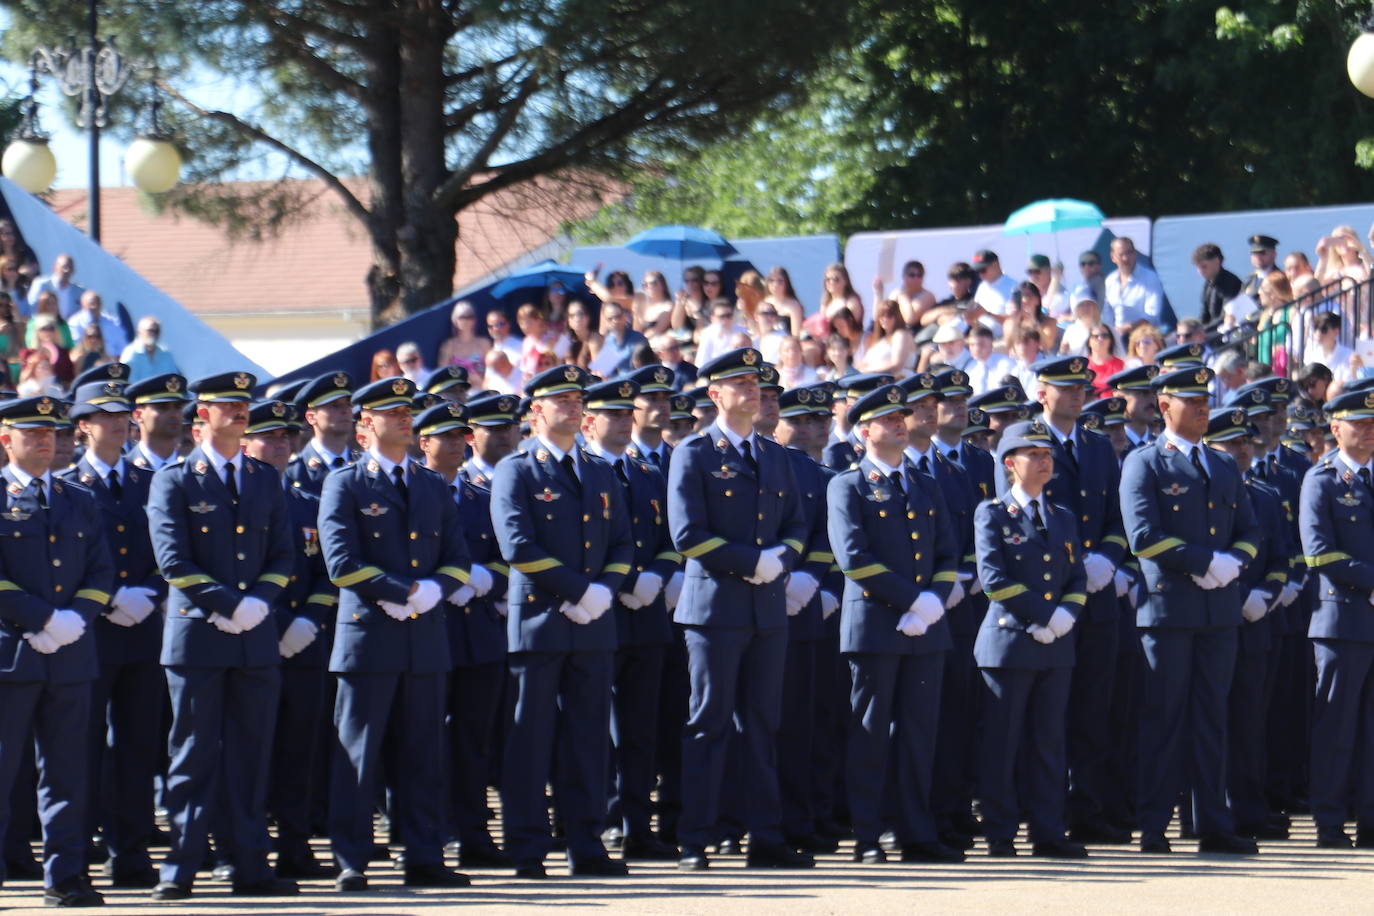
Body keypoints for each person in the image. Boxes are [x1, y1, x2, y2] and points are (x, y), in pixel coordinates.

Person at [319, 376, 477, 891]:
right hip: (369, 635)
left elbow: (457, 557)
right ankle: (352, 857)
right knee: (359, 756)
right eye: (393, 411)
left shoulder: (431, 484)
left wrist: (436, 587)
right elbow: (341, 562)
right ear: (367, 424)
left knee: (424, 751)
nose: (406, 418)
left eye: (408, 410)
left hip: (425, 636)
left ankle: (424, 853)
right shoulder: (345, 483)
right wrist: (402, 590)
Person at [146, 370, 297, 899]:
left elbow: (284, 554)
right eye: (226, 405)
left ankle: (248, 864)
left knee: (251, 753)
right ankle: (181, 866)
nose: (239, 411)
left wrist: (257, 603)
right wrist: (230, 605)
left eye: (243, 404)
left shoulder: (264, 478)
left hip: (254, 634)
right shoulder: (174, 479)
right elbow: (173, 562)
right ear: (201, 416)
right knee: (192, 753)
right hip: (199, 637)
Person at [667, 347, 811, 870]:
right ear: (714, 394)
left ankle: (764, 837)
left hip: (766, 608)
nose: (751, 390)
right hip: (715, 609)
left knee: (762, 724)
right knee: (708, 722)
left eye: (756, 383)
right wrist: (752, 561)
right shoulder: (694, 452)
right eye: (739, 383)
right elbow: (686, 534)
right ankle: (696, 837)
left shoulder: (773, 454)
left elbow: (796, 524)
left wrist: (781, 558)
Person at [491, 364, 633, 878]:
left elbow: (622, 543)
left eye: (578, 401)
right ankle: (527, 846)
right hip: (540, 623)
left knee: (589, 737)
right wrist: (577, 590)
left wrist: (603, 593)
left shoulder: (598, 471)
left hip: (593, 622)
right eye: (562, 401)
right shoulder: (517, 469)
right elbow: (517, 546)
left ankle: (586, 843)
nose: (573, 408)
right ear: (537, 412)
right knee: (531, 737)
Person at [1119, 365, 1261, 856]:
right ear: (1164, 406)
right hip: (1169, 611)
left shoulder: (1222, 466)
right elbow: (1142, 536)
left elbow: (1250, 530)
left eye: (1205, 400)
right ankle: (1155, 824)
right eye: (1191, 401)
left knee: (1211, 717)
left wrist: (1233, 563)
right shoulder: (1146, 464)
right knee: (1165, 719)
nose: (1203, 408)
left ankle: (1212, 824)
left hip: (1218, 611)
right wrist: (1203, 562)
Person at [825, 382, 962, 864]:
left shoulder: (924, 482)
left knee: (919, 734)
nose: (899, 423)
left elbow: (948, 552)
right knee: (871, 733)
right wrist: (912, 601)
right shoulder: (846, 485)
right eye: (888, 419)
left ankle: (915, 830)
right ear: (864, 432)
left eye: (901, 416)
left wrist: (932, 603)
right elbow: (854, 559)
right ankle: (870, 832)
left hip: (926, 626)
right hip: (876, 625)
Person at [0, 394, 113, 907]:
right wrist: (40, 618)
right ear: (7, 440)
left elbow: (101, 571)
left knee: (66, 771)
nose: (46, 441)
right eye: (33, 433)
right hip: (12, 652)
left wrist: (74, 620)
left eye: (52, 433)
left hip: (70, 652)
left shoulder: (79, 499)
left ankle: (66, 876)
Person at [58, 376, 165, 889]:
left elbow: (173, 550)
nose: (119, 423)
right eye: (106, 416)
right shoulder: (67, 484)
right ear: (83, 427)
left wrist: (150, 593)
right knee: (81, 749)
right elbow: (60, 563)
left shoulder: (152, 482)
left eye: (124, 415)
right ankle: (78, 854)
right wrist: (107, 600)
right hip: (90, 635)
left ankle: (133, 852)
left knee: (139, 746)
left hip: (143, 631)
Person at [973, 419, 1089, 858]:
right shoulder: (993, 513)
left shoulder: (1060, 516)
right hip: (1009, 642)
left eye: (1047, 455)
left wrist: (1065, 615)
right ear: (1010, 464)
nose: (1045, 462)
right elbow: (994, 579)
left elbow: (1076, 574)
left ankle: (1048, 830)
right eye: (1034, 455)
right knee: (1003, 743)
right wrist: (1043, 614)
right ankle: (1000, 831)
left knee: (1048, 741)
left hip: (1055, 643)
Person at [1030, 357, 1132, 845]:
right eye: (1066, 387)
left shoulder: (1096, 446)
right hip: (1053, 597)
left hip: (1098, 597)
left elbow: (1116, 518)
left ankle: (1087, 810)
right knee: (1050, 713)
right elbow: (1024, 522)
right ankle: (1046, 813)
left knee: (1094, 708)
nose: (1077, 394)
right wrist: (1077, 568)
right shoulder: (1027, 444)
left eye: (1081, 387)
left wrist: (1107, 561)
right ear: (1042, 391)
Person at [579, 379, 681, 861]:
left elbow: (669, 538)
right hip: (598, 612)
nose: (623, 421)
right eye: (613, 415)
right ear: (590, 422)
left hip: (647, 617)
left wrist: (657, 578)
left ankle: (637, 826)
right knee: (596, 728)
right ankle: (601, 822)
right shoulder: (585, 472)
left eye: (626, 414)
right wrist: (624, 584)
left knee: (642, 729)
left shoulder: (646, 472)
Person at [239, 399, 338, 879]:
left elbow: (328, 573)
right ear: (246, 442)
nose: (280, 446)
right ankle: (243, 843)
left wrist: (309, 622)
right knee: (249, 750)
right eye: (269, 437)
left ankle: (295, 845)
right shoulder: (237, 499)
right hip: (250, 639)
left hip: (304, 643)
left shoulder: (308, 504)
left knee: (301, 748)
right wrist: (278, 625)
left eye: (286, 438)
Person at [1203, 406, 1292, 842]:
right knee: (1210, 719)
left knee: (1249, 721)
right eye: (1231, 443)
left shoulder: (1265, 494)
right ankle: (1208, 811)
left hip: (1258, 621)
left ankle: (1249, 809)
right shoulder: (1203, 490)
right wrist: (1238, 597)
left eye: (1245, 443)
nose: (1241, 450)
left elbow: (1280, 558)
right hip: (1212, 617)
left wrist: (1265, 594)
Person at [443, 392, 519, 868]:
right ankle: (439, 829)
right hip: (432, 629)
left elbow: (515, 555)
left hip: (483, 633)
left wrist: (488, 579)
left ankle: (473, 832)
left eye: (510, 427)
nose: (507, 435)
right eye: (493, 428)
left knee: (476, 741)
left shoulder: (484, 498)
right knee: (431, 739)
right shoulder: (430, 490)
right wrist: (452, 577)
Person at [1298, 389, 1374, 848]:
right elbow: (1319, 551)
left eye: (1373, 422)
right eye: (1359, 422)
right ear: (1335, 429)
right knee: (1337, 727)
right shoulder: (1321, 480)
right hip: (1342, 620)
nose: (1368, 429)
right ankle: (1329, 821)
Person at [285, 372, 359, 496]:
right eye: (334, 405)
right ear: (311, 417)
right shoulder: (293, 473)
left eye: (348, 404)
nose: (345, 410)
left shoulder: (366, 464)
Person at [126, 373, 191, 471]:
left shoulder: (193, 471)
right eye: (162, 407)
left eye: (178, 407)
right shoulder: (124, 470)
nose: (174, 414)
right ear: (138, 415)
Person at [1104, 238, 1166, 336]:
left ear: (1135, 254)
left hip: (1145, 338)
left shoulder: (1150, 277)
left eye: (1129, 253)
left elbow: (1152, 315)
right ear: (1113, 257)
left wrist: (1129, 327)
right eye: (1121, 254)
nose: (1125, 258)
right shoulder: (1110, 281)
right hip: (1116, 338)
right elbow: (1107, 315)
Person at [436, 301, 491, 386]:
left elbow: (492, 372)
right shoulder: (448, 346)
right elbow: (442, 375)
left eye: (470, 317)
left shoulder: (484, 343)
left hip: (482, 390)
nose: (466, 321)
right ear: (454, 320)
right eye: (462, 317)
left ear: (475, 320)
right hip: (458, 392)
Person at [857, 298, 915, 377]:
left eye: (889, 315)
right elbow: (862, 365)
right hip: (873, 379)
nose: (884, 319)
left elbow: (897, 364)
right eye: (881, 315)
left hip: (898, 381)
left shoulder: (901, 335)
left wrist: (869, 370)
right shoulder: (879, 341)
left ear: (897, 316)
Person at [589, 300, 647, 378]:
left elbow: (644, 369)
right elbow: (600, 370)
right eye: (610, 318)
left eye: (618, 316)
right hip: (616, 383)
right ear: (606, 321)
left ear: (624, 316)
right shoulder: (609, 340)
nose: (615, 321)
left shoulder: (637, 339)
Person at [1193, 243, 1243, 326]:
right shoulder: (1208, 284)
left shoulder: (1230, 282)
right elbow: (1204, 314)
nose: (1200, 272)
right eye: (1198, 268)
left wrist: (1205, 331)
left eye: (1204, 266)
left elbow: (1226, 316)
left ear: (1217, 261)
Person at [67, 291, 129, 356]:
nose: (95, 307)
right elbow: (75, 347)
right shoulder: (75, 323)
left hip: (110, 362)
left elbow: (123, 347)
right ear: (83, 305)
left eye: (98, 303)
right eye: (91, 304)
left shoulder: (112, 323)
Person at [120, 316, 179, 381]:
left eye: (156, 331)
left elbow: (173, 379)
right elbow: (127, 382)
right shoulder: (130, 353)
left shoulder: (166, 354)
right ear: (139, 332)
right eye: (150, 330)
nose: (153, 334)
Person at [26, 254, 83, 320]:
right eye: (64, 267)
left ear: (73, 271)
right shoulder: (41, 284)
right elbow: (32, 306)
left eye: (70, 267)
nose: (66, 270)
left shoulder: (79, 292)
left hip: (66, 328)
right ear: (55, 268)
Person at [695, 300, 750, 366]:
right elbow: (701, 363)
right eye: (722, 316)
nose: (726, 320)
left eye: (729, 316)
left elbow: (752, 355)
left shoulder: (742, 332)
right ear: (712, 318)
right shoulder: (707, 335)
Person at [763, 267, 805, 334]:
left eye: (780, 281)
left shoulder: (794, 306)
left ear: (786, 284)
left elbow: (796, 334)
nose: (775, 285)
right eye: (771, 281)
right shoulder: (765, 302)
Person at [1086, 324, 1124, 399]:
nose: (1100, 339)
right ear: (1089, 342)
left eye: (1105, 336)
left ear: (1111, 341)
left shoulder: (1121, 365)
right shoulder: (1083, 366)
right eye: (1095, 336)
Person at [566, 299, 603, 369]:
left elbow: (598, 370)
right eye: (572, 315)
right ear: (569, 321)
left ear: (588, 317)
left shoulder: (595, 338)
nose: (577, 318)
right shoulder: (569, 340)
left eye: (580, 314)